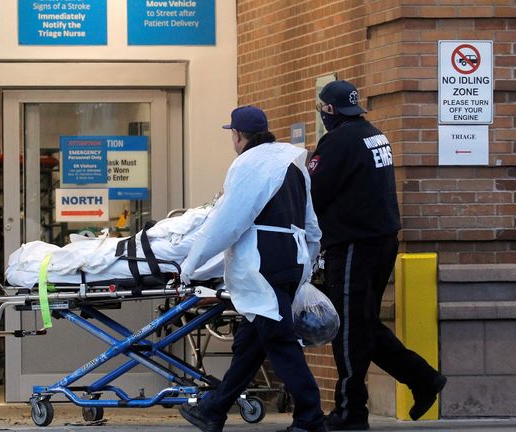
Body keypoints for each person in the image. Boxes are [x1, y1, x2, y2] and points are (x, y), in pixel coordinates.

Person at [178, 106, 326, 432]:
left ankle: (311, 418)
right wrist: (308, 262)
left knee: (280, 342)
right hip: (292, 259)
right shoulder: (292, 163)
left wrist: (190, 264)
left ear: (238, 135)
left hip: (263, 267)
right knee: (250, 344)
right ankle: (213, 410)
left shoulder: (248, 165)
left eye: (231, 133)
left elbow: (227, 223)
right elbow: (311, 223)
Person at [309, 80, 446, 430]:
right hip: (381, 241)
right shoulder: (373, 134)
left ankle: (350, 411)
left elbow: (314, 193)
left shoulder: (338, 141)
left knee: (348, 329)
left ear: (328, 110)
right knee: (363, 324)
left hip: (355, 244)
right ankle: (422, 378)